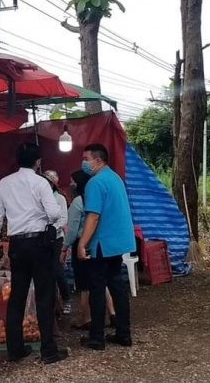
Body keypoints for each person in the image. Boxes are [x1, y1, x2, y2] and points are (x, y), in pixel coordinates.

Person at [0, 143, 68, 365]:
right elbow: (54, 213)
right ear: (38, 162)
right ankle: (48, 350)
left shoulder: (4, 184)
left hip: (17, 245)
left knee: (17, 297)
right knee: (44, 295)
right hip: (40, 244)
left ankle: (15, 349)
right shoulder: (40, 182)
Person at [77, 143, 136, 350]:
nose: (84, 163)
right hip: (118, 242)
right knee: (117, 287)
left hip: (102, 243)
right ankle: (123, 333)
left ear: (98, 159)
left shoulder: (95, 183)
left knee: (97, 289)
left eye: (86, 159)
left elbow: (93, 217)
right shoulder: (115, 178)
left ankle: (97, 337)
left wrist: (82, 243)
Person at [64, 170, 116, 330]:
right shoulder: (97, 198)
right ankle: (112, 314)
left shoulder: (78, 202)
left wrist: (64, 247)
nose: (71, 185)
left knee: (84, 285)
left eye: (73, 182)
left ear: (78, 184)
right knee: (101, 281)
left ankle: (86, 319)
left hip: (82, 243)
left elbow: (72, 230)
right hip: (98, 243)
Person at [42, 170, 71, 315]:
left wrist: (54, 227)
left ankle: (66, 299)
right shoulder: (39, 197)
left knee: (57, 270)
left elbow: (64, 218)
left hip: (57, 237)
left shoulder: (60, 199)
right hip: (42, 238)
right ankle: (51, 301)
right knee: (44, 271)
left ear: (52, 184)